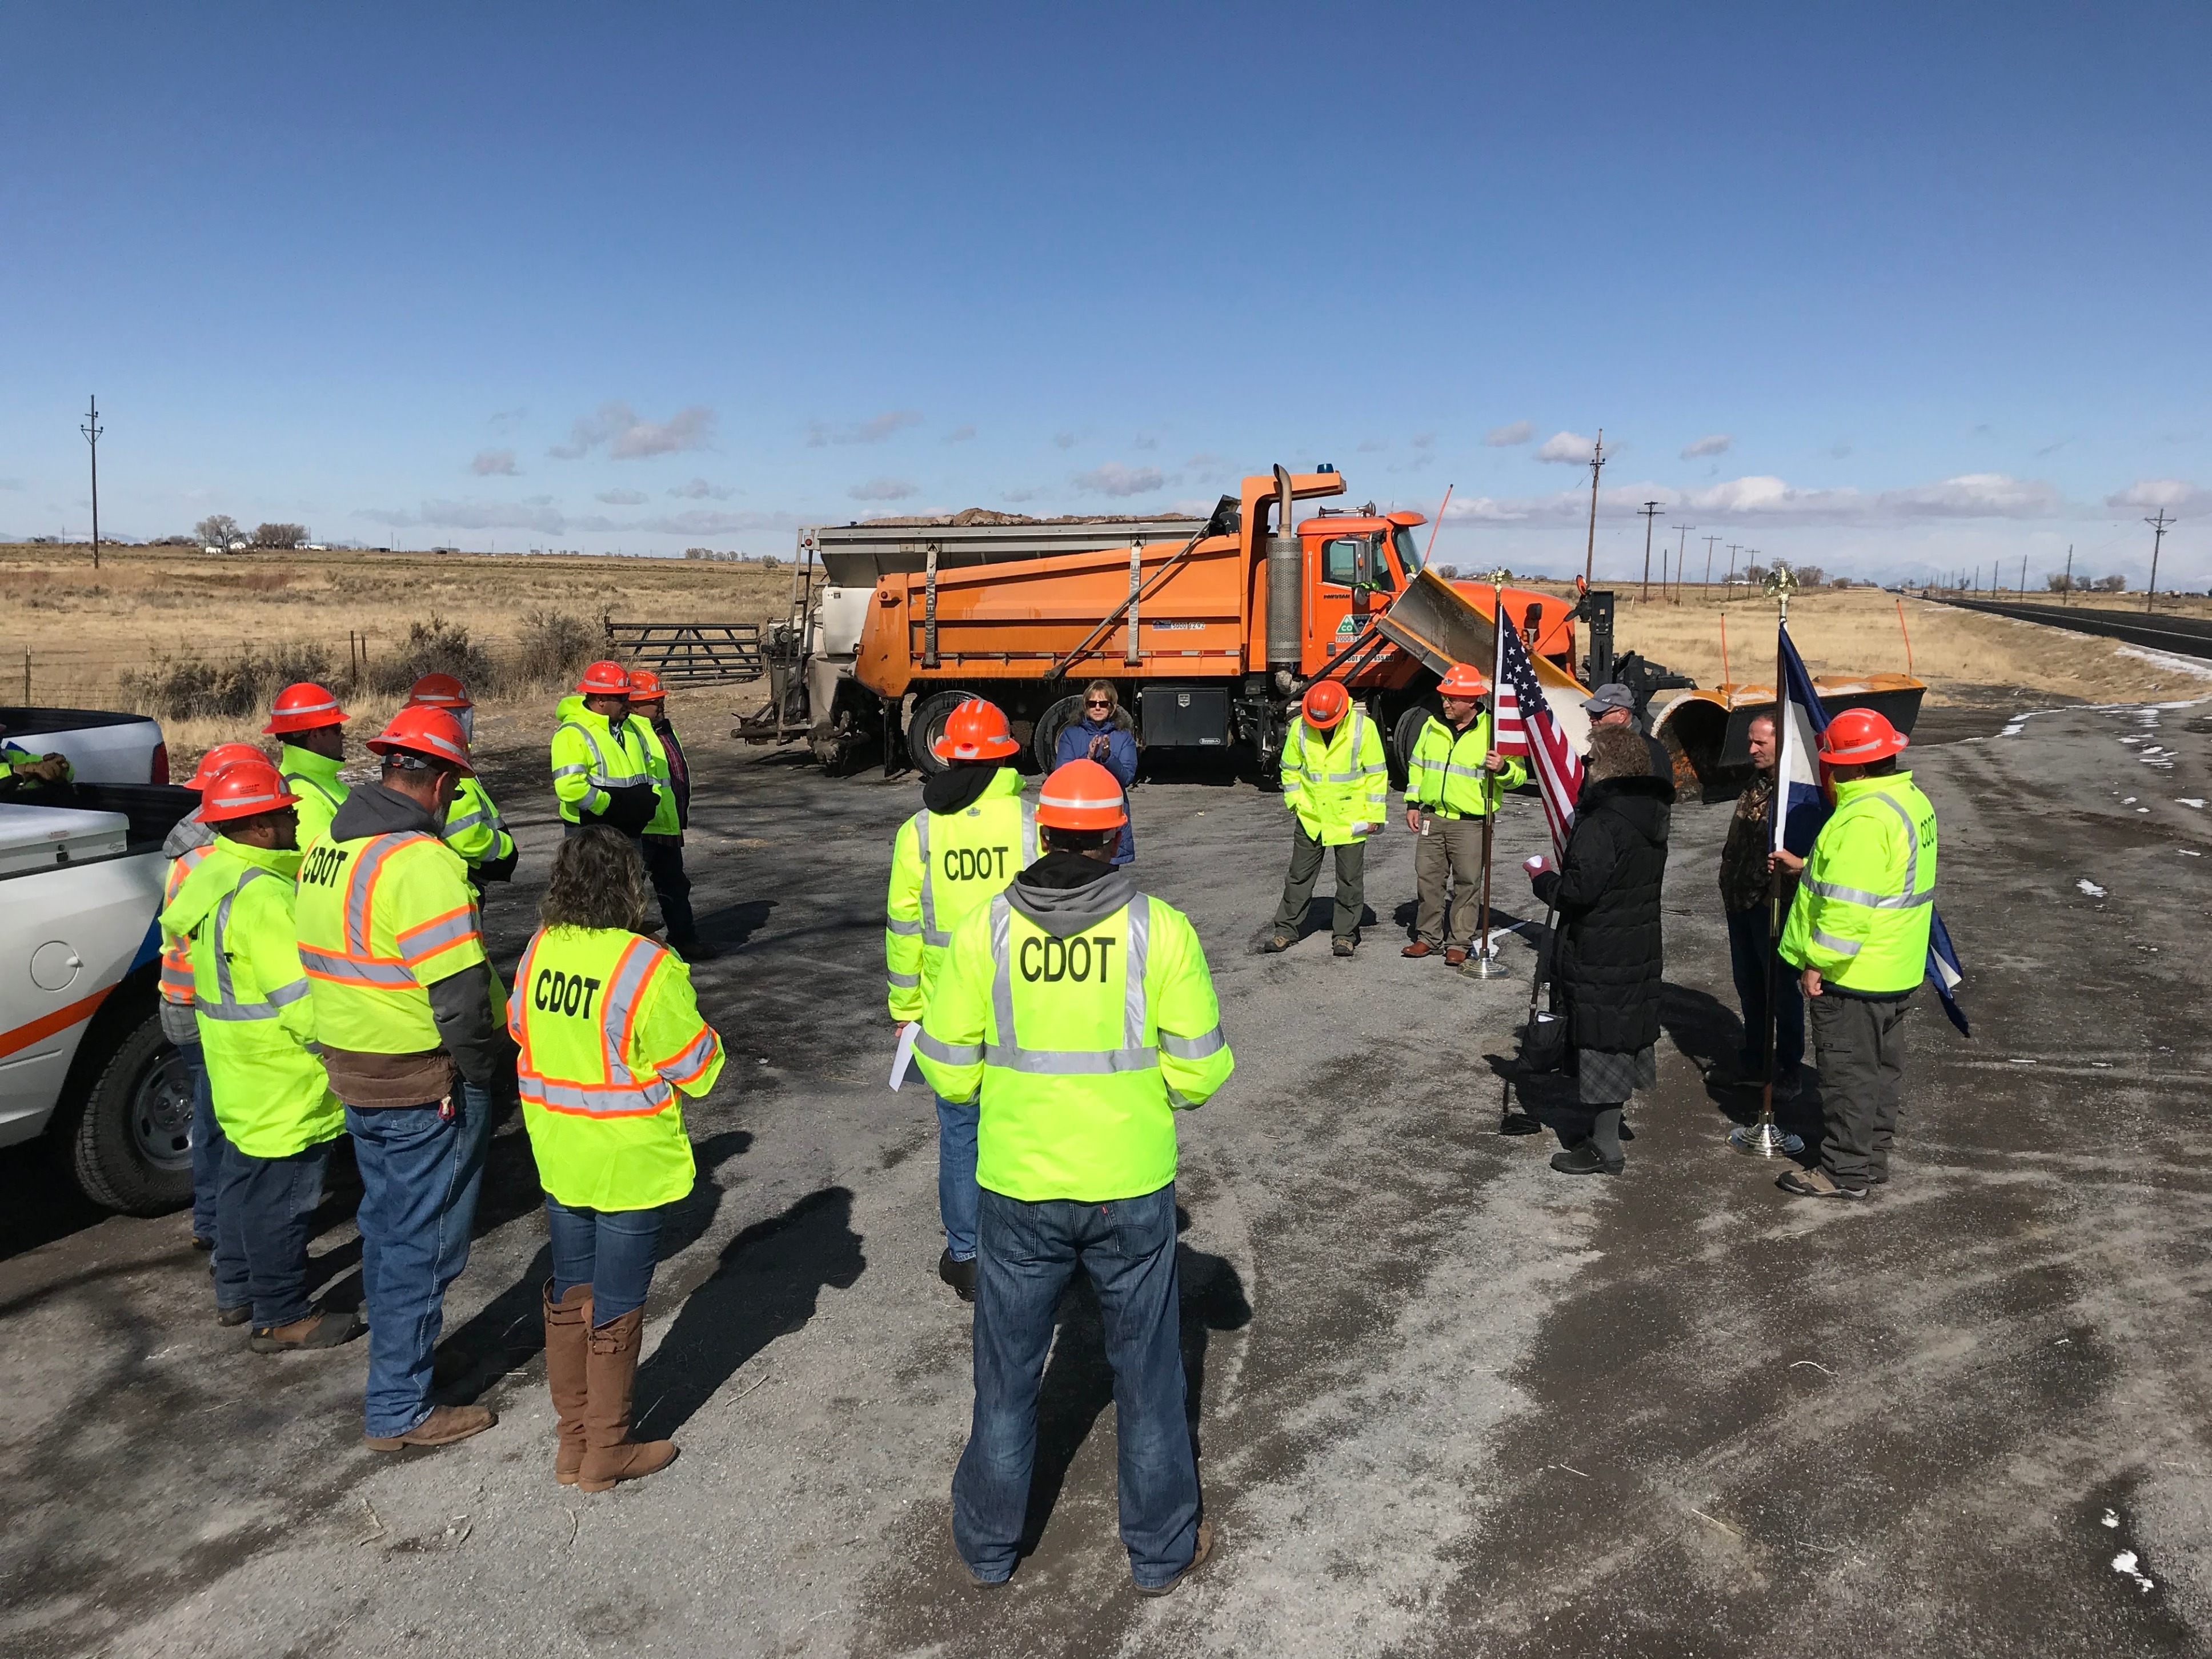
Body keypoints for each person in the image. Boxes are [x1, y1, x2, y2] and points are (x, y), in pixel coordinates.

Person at [916, 758, 1235, 1594]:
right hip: (1129, 1183)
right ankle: (1161, 1553)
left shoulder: (987, 929)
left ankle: (989, 1548)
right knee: (1151, 1375)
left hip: (1019, 1188)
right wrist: (1132, 1099)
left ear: (1044, 832)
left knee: (1008, 1376)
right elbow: (1200, 1074)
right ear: (1115, 836)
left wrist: (1021, 1099)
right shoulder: (1158, 930)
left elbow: (948, 1071)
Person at [295, 704, 510, 1450]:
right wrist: (483, 1073)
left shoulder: (329, 843)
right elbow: (457, 1000)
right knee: (424, 1243)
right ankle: (400, 1406)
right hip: (423, 1080)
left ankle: (401, 1368)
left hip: (355, 1070)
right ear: (442, 780)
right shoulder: (421, 865)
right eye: (454, 790)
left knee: (388, 1230)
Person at [511, 827, 725, 1490]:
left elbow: (519, 1027)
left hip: (560, 1148)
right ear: (629, 884)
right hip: (626, 1161)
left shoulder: (540, 948)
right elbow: (696, 1069)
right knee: (616, 1303)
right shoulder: (645, 966)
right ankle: (608, 1449)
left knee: (570, 1291)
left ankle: (573, 1442)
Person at [165, 761, 360, 1353]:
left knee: (243, 1186)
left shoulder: (211, 876)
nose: (295, 817)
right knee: (284, 1201)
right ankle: (281, 1314)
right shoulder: (266, 898)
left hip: (237, 1066)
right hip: (284, 1076)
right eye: (284, 813)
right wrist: (347, 1048)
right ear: (257, 828)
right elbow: (302, 1003)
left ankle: (238, 1289)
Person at [885, 696, 1036, 1301]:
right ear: (1006, 754)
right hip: (1023, 1004)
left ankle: (968, 1256)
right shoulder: (1031, 823)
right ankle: (1027, 1245)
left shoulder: (919, 831)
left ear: (944, 754)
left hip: (949, 1008)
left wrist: (904, 1012)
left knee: (959, 1130)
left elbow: (903, 926)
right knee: (1023, 1126)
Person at [1776, 710, 1938, 1200]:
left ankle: (1842, 1172)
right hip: (1896, 968)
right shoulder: (1910, 800)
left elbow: (1848, 908)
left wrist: (1817, 963)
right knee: (1882, 1074)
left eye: (1834, 762)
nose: (1829, 770)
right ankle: (1870, 1161)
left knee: (1848, 1076)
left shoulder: (1863, 819)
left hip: (1854, 974)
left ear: (1857, 767)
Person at [1526, 727, 1673, 1175]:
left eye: (1590, 758)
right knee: (1619, 1032)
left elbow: (1578, 890)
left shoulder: (1603, 821)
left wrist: (1541, 879)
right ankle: (1607, 1129)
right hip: (1636, 940)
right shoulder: (1651, 811)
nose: (1584, 766)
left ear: (1609, 765)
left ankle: (1605, 1148)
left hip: (1601, 944)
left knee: (1601, 1037)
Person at [165, 741, 267, 1261]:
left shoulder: (188, 849)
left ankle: (213, 1222)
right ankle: (220, 1227)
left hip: (183, 1000)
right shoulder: (217, 860)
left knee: (212, 1117)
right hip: (203, 1004)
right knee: (220, 1121)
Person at [1716, 712, 1823, 1095]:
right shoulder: (1758, 783)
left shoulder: (1799, 793)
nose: (1752, 749)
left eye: (1760, 742)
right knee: (1750, 987)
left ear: (1783, 743)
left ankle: (1789, 1068)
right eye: (1751, 741)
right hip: (1741, 902)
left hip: (1774, 906)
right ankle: (1755, 1060)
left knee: (1780, 992)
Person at [1401, 664, 1526, 966]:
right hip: (1433, 817)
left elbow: (1519, 777)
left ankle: (1459, 941)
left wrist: (1504, 769)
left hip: (1471, 822)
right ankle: (1428, 938)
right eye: (1444, 697)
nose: (1445, 703)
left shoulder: (1495, 731)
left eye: (1452, 698)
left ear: (1472, 700)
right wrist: (1413, 803)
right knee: (1428, 880)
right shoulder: (1432, 726)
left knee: (1467, 883)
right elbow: (1418, 766)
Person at [1261, 680, 1388, 957]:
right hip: (1312, 817)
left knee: (1350, 880)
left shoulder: (1362, 728)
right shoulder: (1300, 728)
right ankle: (1285, 930)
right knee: (1299, 876)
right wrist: (1294, 802)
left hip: (1350, 818)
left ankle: (1344, 935)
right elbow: (1289, 769)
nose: (1322, 727)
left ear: (1342, 713)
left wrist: (1375, 814)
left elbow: (1376, 774)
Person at [627, 667, 718, 960]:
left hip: (667, 824)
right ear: (633, 704)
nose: (660, 705)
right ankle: (627, 952)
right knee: (630, 890)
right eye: (653, 700)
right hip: (644, 826)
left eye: (660, 699)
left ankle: (684, 939)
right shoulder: (630, 733)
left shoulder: (663, 728)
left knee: (675, 886)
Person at [406, 674, 518, 892]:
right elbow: (467, 837)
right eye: (458, 718)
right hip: (462, 880)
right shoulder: (449, 775)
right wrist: (505, 851)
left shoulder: (414, 768)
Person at [551, 660, 657, 841]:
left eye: (628, 697)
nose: (628, 704)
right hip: (592, 834)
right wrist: (608, 806)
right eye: (621, 698)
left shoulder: (630, 727)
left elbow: (651, 766)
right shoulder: (573, 733)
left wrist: (652, 798)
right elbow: (569, 787)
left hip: (630, 830)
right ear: (600, 700)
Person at [1052, 680, 1137, 865]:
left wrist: (1107, 757)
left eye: (1103, 704)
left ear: (1112, 707)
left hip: (1110, 816)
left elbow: (1127, 777)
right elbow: (1062, 774)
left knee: (1108, 883)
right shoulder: (1070, 735)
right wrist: (1088, 757)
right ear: (1086, 706)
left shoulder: (1123, 738)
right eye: (1092, 704)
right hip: (1078, 816)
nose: (1097, 708)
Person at [265, 682, 351, 851]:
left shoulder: (322, 778)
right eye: (337, 729)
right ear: (315, 735)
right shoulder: (303, 798)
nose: (344, 736)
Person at [1581, 683, 1676, 793]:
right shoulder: (1599, 748)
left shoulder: (1651, 751)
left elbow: (1658, 801)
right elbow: (1584, 795)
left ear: (1622, 715)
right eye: (1590, 712)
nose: (1591, 719)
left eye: (1598, 714)